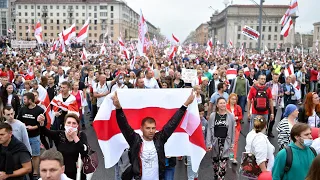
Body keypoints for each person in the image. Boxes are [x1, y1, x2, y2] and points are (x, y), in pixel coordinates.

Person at [111, 90, 195, 180]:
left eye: (153, 128)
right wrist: (118, 108)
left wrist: (185, 104)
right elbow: (124, 126)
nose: (151, 131)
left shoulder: (160, 139)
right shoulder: (135, 140)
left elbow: (172, 123)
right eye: (148, 128)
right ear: (141, 128)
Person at [37, 113, 88, 180]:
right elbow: (46, 132)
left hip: (77, 171)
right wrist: (41, 123)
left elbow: (84, 152)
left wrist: (75, 137)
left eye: (74, 123)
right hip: (62, 171)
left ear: (77, 125)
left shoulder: (81, 135)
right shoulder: (60, 135)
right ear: (64, 124)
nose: (71, 125)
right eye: (69, 123)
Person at [206, 97, 235, 180]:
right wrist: (208, 143)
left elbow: (232, 130)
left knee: (222, 166)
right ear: (217, 105)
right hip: (215, 143)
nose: (223, 104)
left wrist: (232, 143)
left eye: (224, 103)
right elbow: (209, 130)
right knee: (215, 166)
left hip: (225, 142)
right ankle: (216, 177)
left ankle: (220, 178)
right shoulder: (213, 116)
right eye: (221, 103)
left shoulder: (230, 116)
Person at [18, 92, 45, 179]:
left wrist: (33, 127)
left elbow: (43, 124)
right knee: (24, 155)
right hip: (24, 137)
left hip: (34, 136)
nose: (23, 101)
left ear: (30, 100)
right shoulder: (22, 109)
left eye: (25, 99)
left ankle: (35, 172)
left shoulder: (39, 110)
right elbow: (19, 120)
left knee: (35, 155)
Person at [265, 73, 284, 138]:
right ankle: (264, 131)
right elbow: (264, 92)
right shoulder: (268, 84)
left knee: (272, 119)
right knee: (266, 118)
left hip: (275, 104)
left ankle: (270, 131)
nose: (276, 79)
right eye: (275, 78)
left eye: (277, 78)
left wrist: (279, 95)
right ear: (272, 77)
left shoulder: (280, 85)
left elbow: (282, 93)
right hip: (268, 103)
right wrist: (269, 96)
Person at [226, 93, 242, 164]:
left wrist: (237, 118)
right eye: (232, 99)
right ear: (229, 99)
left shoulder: (238, 107)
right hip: (227, 127)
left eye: (235, 99)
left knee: (235, 143)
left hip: (236, 126)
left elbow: (241, 116)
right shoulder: (226, 107)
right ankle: (226, 155)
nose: (234, 101)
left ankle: (233, 157)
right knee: (227, 142)